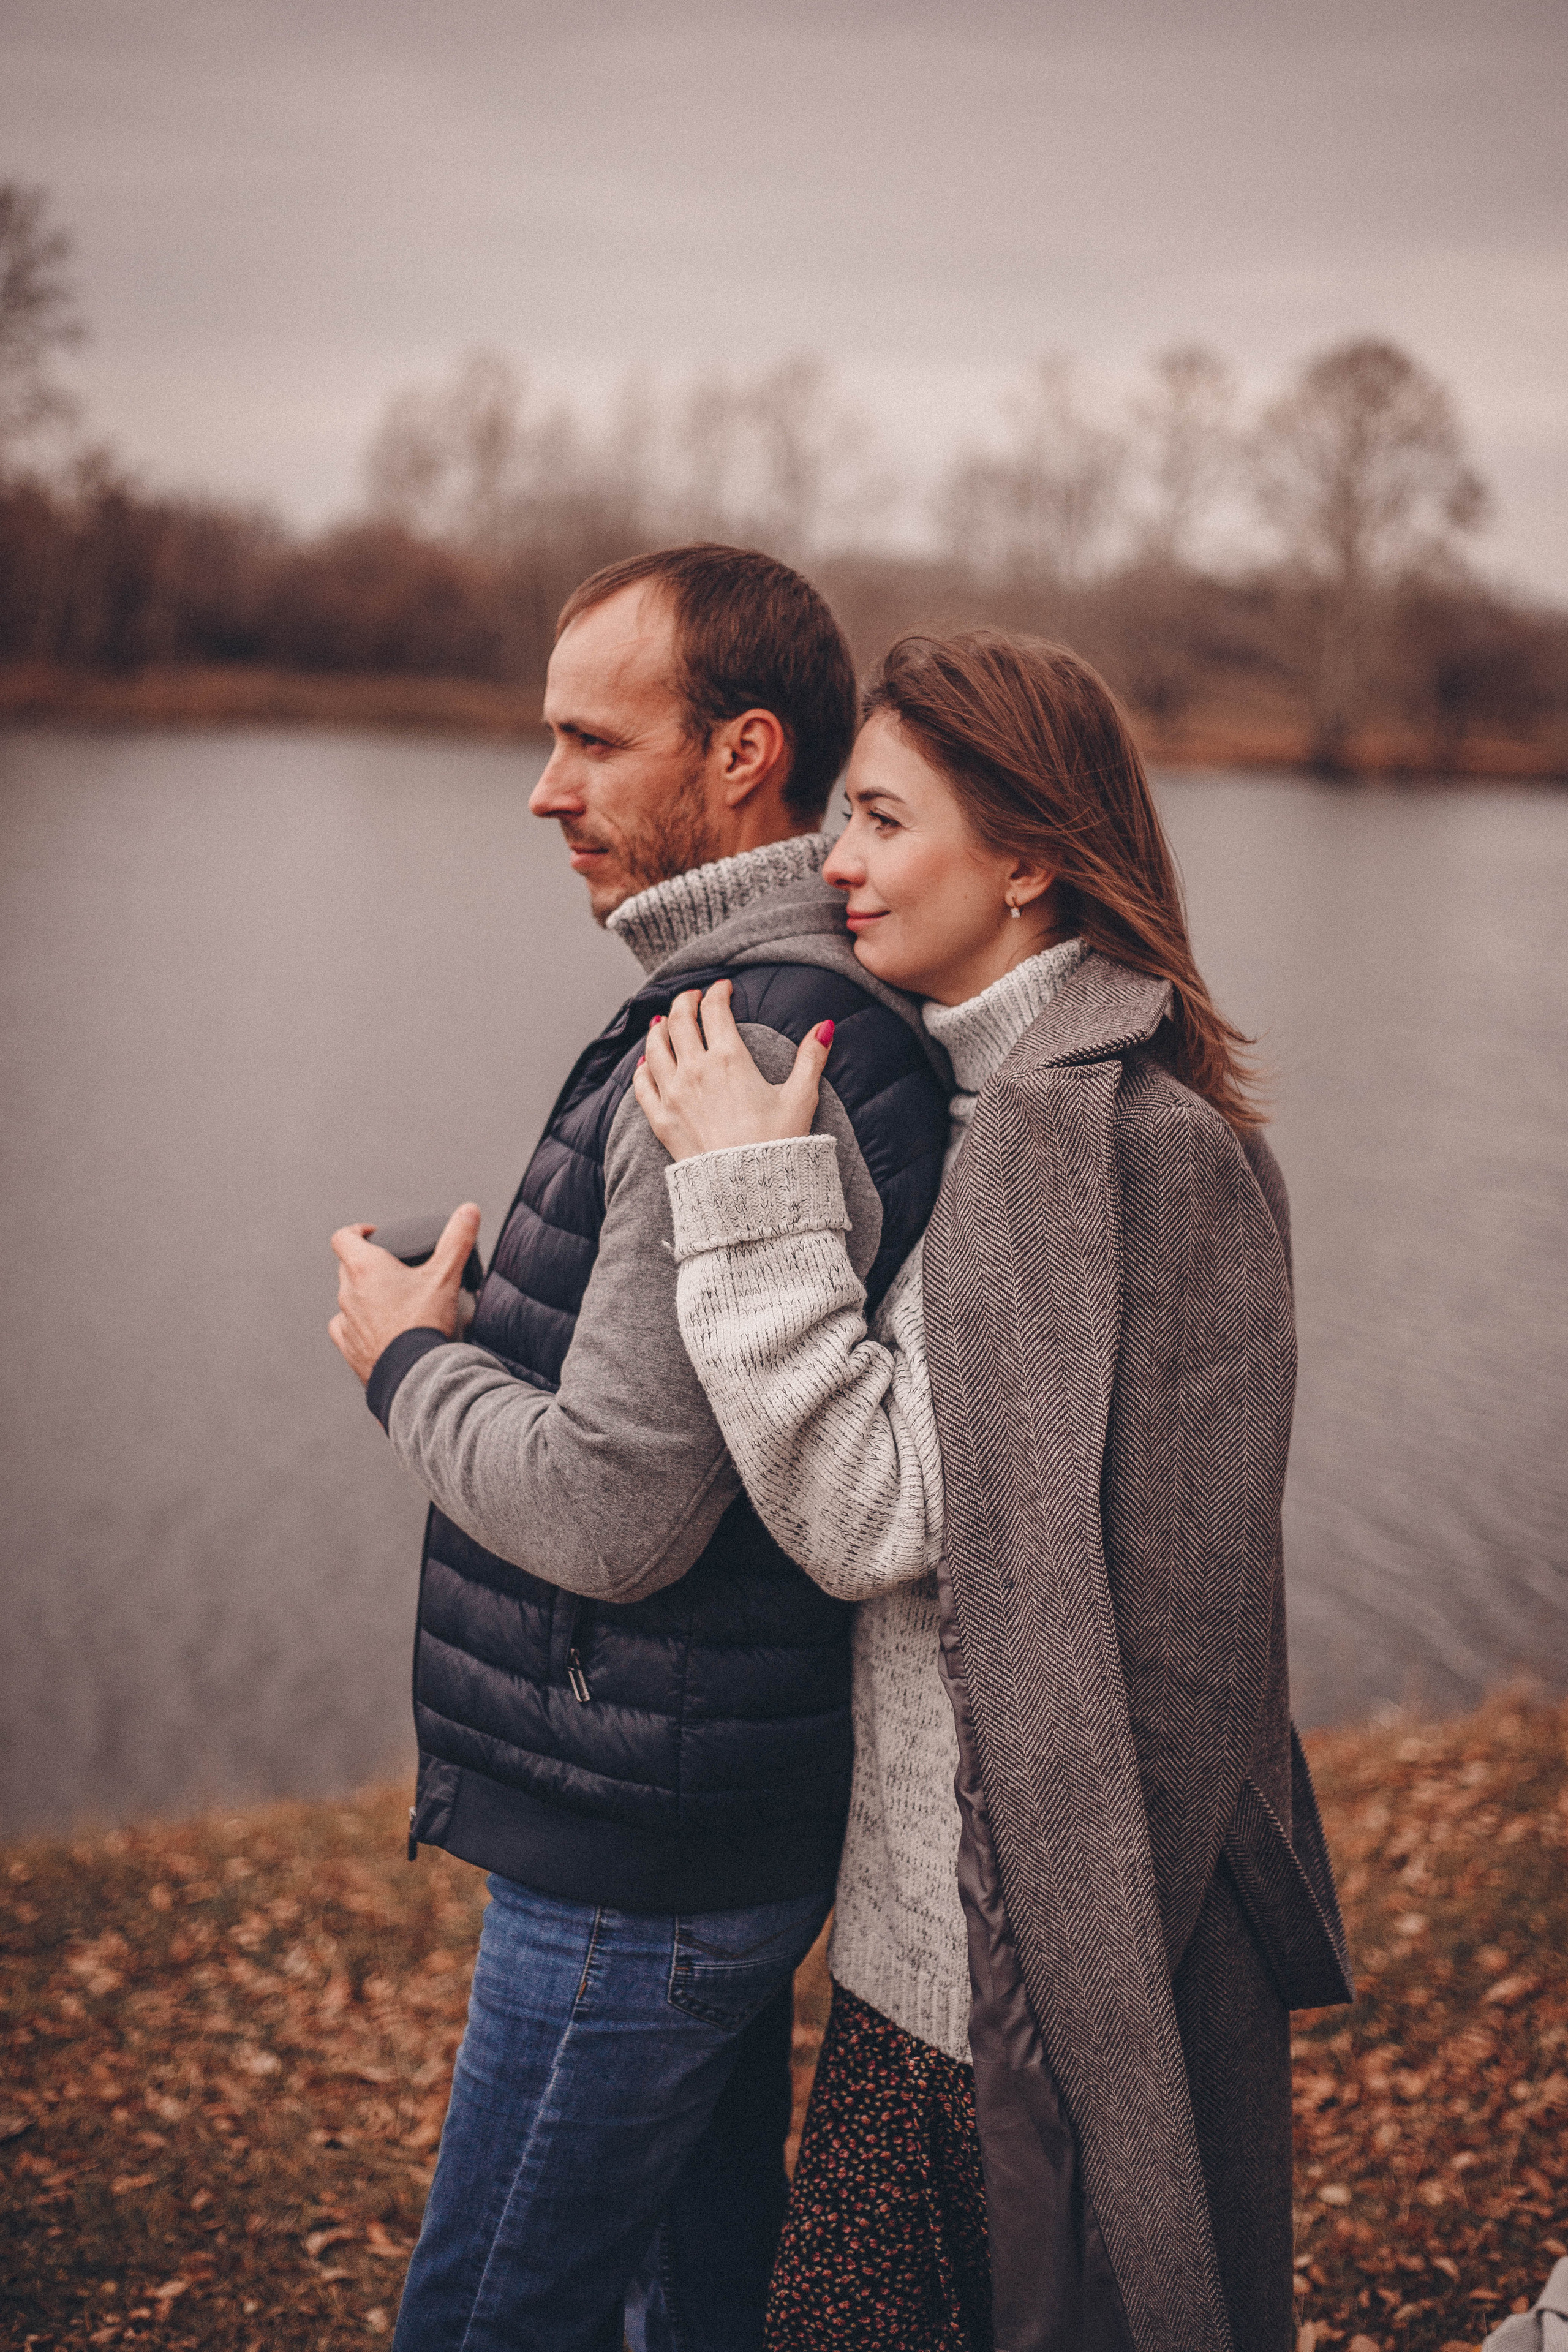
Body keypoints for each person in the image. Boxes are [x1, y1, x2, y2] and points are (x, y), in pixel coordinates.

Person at [635, 630, 1354, 2352]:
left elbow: (876, 1511)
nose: (838, 861)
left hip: (1018, 1983)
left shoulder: (1089, 1146)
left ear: (1029, 856)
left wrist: (748, 1195)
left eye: (883, 819)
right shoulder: (1037, 1105)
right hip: (962, 1951)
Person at [325, 546, 951, 2352]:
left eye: (594, 742)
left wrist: (405, 1360)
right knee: (694, 2307)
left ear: (745, 752)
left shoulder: (748, 1039)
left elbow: (614, 1513)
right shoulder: (754, 1004)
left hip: (639, 1860)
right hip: (690, 1816)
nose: (546, 790)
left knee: (491, 2317)